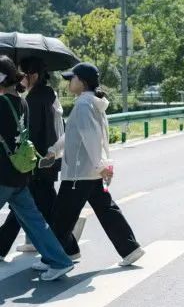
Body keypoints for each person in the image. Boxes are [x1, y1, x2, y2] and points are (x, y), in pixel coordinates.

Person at [35, 63, 145, 271]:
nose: (69, 82)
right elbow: (74, 134)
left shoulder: (84, 105)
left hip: (79, 172)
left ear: (82, 82)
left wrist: (100, 165)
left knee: (61, 216)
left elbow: (91, 137)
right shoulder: (91, 102)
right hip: (89, 171)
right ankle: (130, 248)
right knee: (107, 210)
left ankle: (55, 259)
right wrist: (54, 150)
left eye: (72, 78)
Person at [0, 57, 86, 257]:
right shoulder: (46, 95)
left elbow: (31, 134)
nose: (21, 78)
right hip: (44, 159)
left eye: (24, 73)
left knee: (45, 209)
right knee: (26, 209)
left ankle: (69, 249)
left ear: (34, 75)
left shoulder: (35, 99)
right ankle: (5, 246)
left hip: (38, 161)